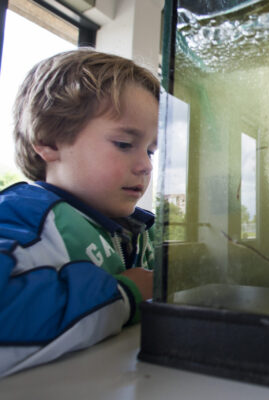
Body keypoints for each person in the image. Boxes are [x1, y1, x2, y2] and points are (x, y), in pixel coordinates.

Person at [0, 49, 160, 378]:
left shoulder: (136, 228)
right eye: (124, 144)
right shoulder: (23, 218)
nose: (145, 165)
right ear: (48, 140)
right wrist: (123, 295)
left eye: (150, 150)